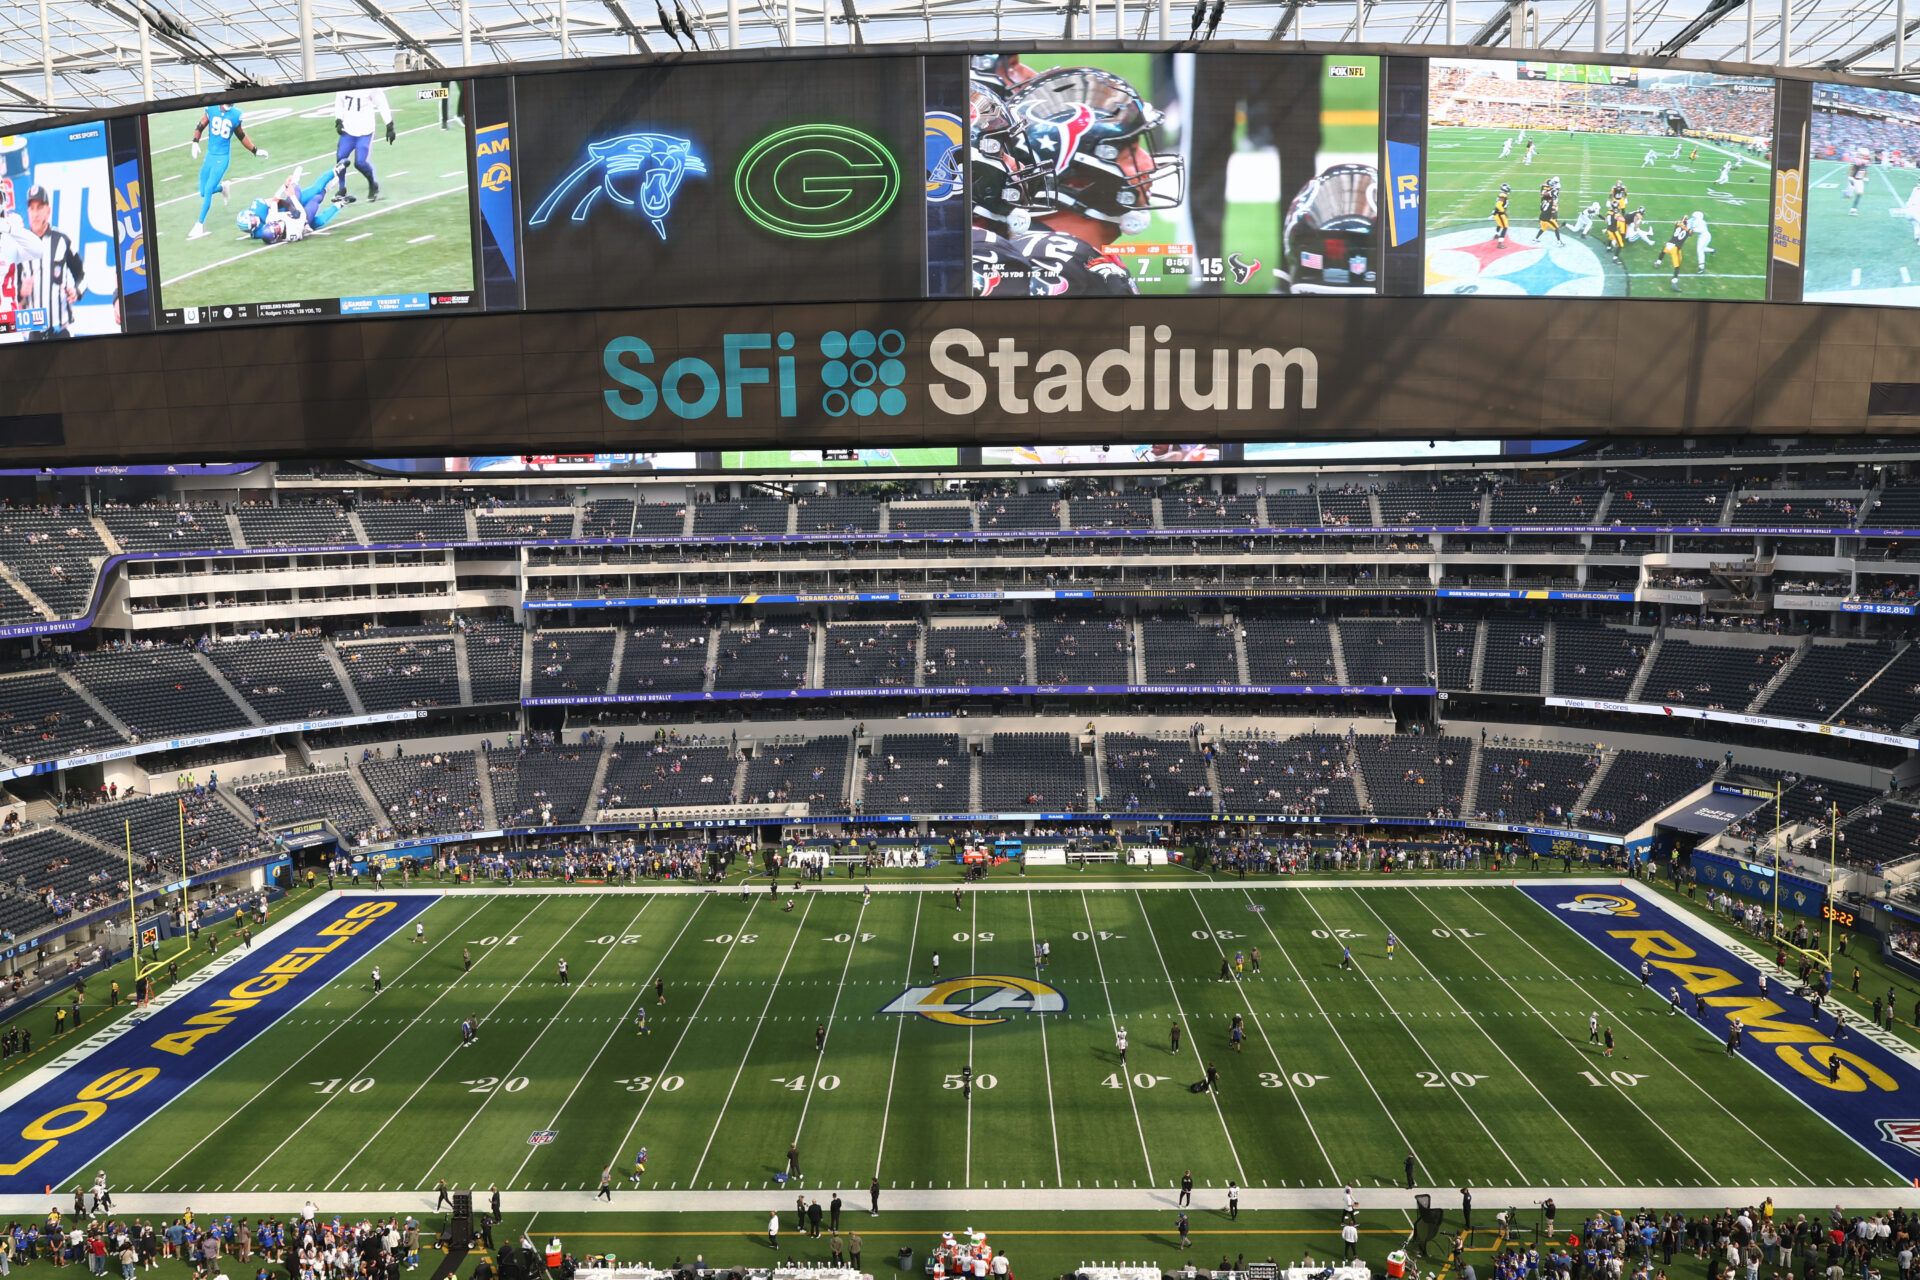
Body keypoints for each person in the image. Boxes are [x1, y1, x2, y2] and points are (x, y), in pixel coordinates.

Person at [186, 102, 269, 239]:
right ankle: (223, 187)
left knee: (207, 190)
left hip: (222, 158)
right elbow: (200, 126)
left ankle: (199, 224)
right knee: (202, 191)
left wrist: (255, 150)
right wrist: (195, 141)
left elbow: (241, 135)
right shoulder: (212, 108)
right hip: (210, 155)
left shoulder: (235, 114)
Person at [329, 85, 395, 204]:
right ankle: (342, 189)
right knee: (340, 159)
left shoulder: (369, 85)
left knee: (360, 162)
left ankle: (372, 184)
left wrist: (389, 125)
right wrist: (338, 120)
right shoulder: (344, 83)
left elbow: (382, 103)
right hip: (348, 130)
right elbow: (339, 101)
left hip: (365, 130)